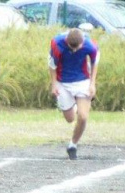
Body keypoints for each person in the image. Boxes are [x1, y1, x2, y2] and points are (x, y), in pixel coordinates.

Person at [49, 27, 99, 160]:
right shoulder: (56, 43)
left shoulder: (90, 45)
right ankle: (75, 105)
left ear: (82, 42)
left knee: (83, 117)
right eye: (72, 48)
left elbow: (95, 63)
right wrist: (54, 84)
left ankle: (73, 145)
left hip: (82, 81)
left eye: (77, 47)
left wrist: (93, 84)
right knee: (70, 118)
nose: (75, 50)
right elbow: (52, 65)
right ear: (67, 41)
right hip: (63, 82)